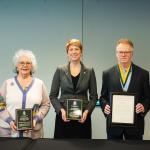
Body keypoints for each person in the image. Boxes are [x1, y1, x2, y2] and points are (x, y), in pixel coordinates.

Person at [99, 38, 150, 140]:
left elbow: (148, 97)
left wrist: (143, 106)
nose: (123, 54)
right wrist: (105, 106)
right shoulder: (107, 73)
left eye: (127, 52)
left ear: (132, 53)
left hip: (135, 125)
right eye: (120, 52)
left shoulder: (143, 74)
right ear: (116, 54)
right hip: (114, 126)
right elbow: (103, 97)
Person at [49, 39, 98, 139]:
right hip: (64, 117)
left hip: (83, 118)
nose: (74, 52)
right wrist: (61, 110)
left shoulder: (89, 71)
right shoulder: (60, 70)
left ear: (81, 51)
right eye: (71, 49)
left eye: (76, 49)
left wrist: (87, 112)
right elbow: (53, 96)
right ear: (67, 52)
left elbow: (94, 97)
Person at [0, 49, 50, 139]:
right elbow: (0, 105)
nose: (25, 65)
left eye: (28, 63)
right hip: (9, 133)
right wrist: (9, 121)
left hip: (33, 133)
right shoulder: (7, 83)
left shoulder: (39, 84)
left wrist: (36, 119)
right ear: (17, 65)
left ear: (32, 66)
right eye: (21, 63)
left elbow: (46, 105)